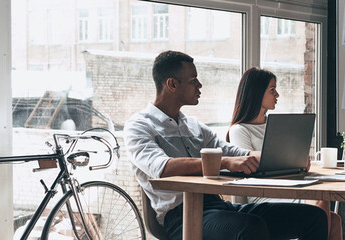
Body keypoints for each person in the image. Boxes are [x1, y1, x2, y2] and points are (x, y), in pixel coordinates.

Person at [125, 51, 328, 240]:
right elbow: (160, 167)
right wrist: (223, 162)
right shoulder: (140, 126)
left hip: (219, 207)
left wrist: (286, 158)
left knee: (314, 217)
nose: (200, 85)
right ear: (172, 84)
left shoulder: (194, 126)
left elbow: (235, 152)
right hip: (181, 217)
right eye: (193, 80)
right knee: (250, 227)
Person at [227, 67, 343, 240]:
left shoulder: (277, 125)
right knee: (321, 203)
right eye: (272, 90)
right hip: (264, 196)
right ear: (257, 93)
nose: (277, 95)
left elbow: (288, 161)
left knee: (334, 219)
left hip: (288, 187)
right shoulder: (240, 130)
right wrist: (289, 159)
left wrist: (299, 160)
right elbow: (247, 164)